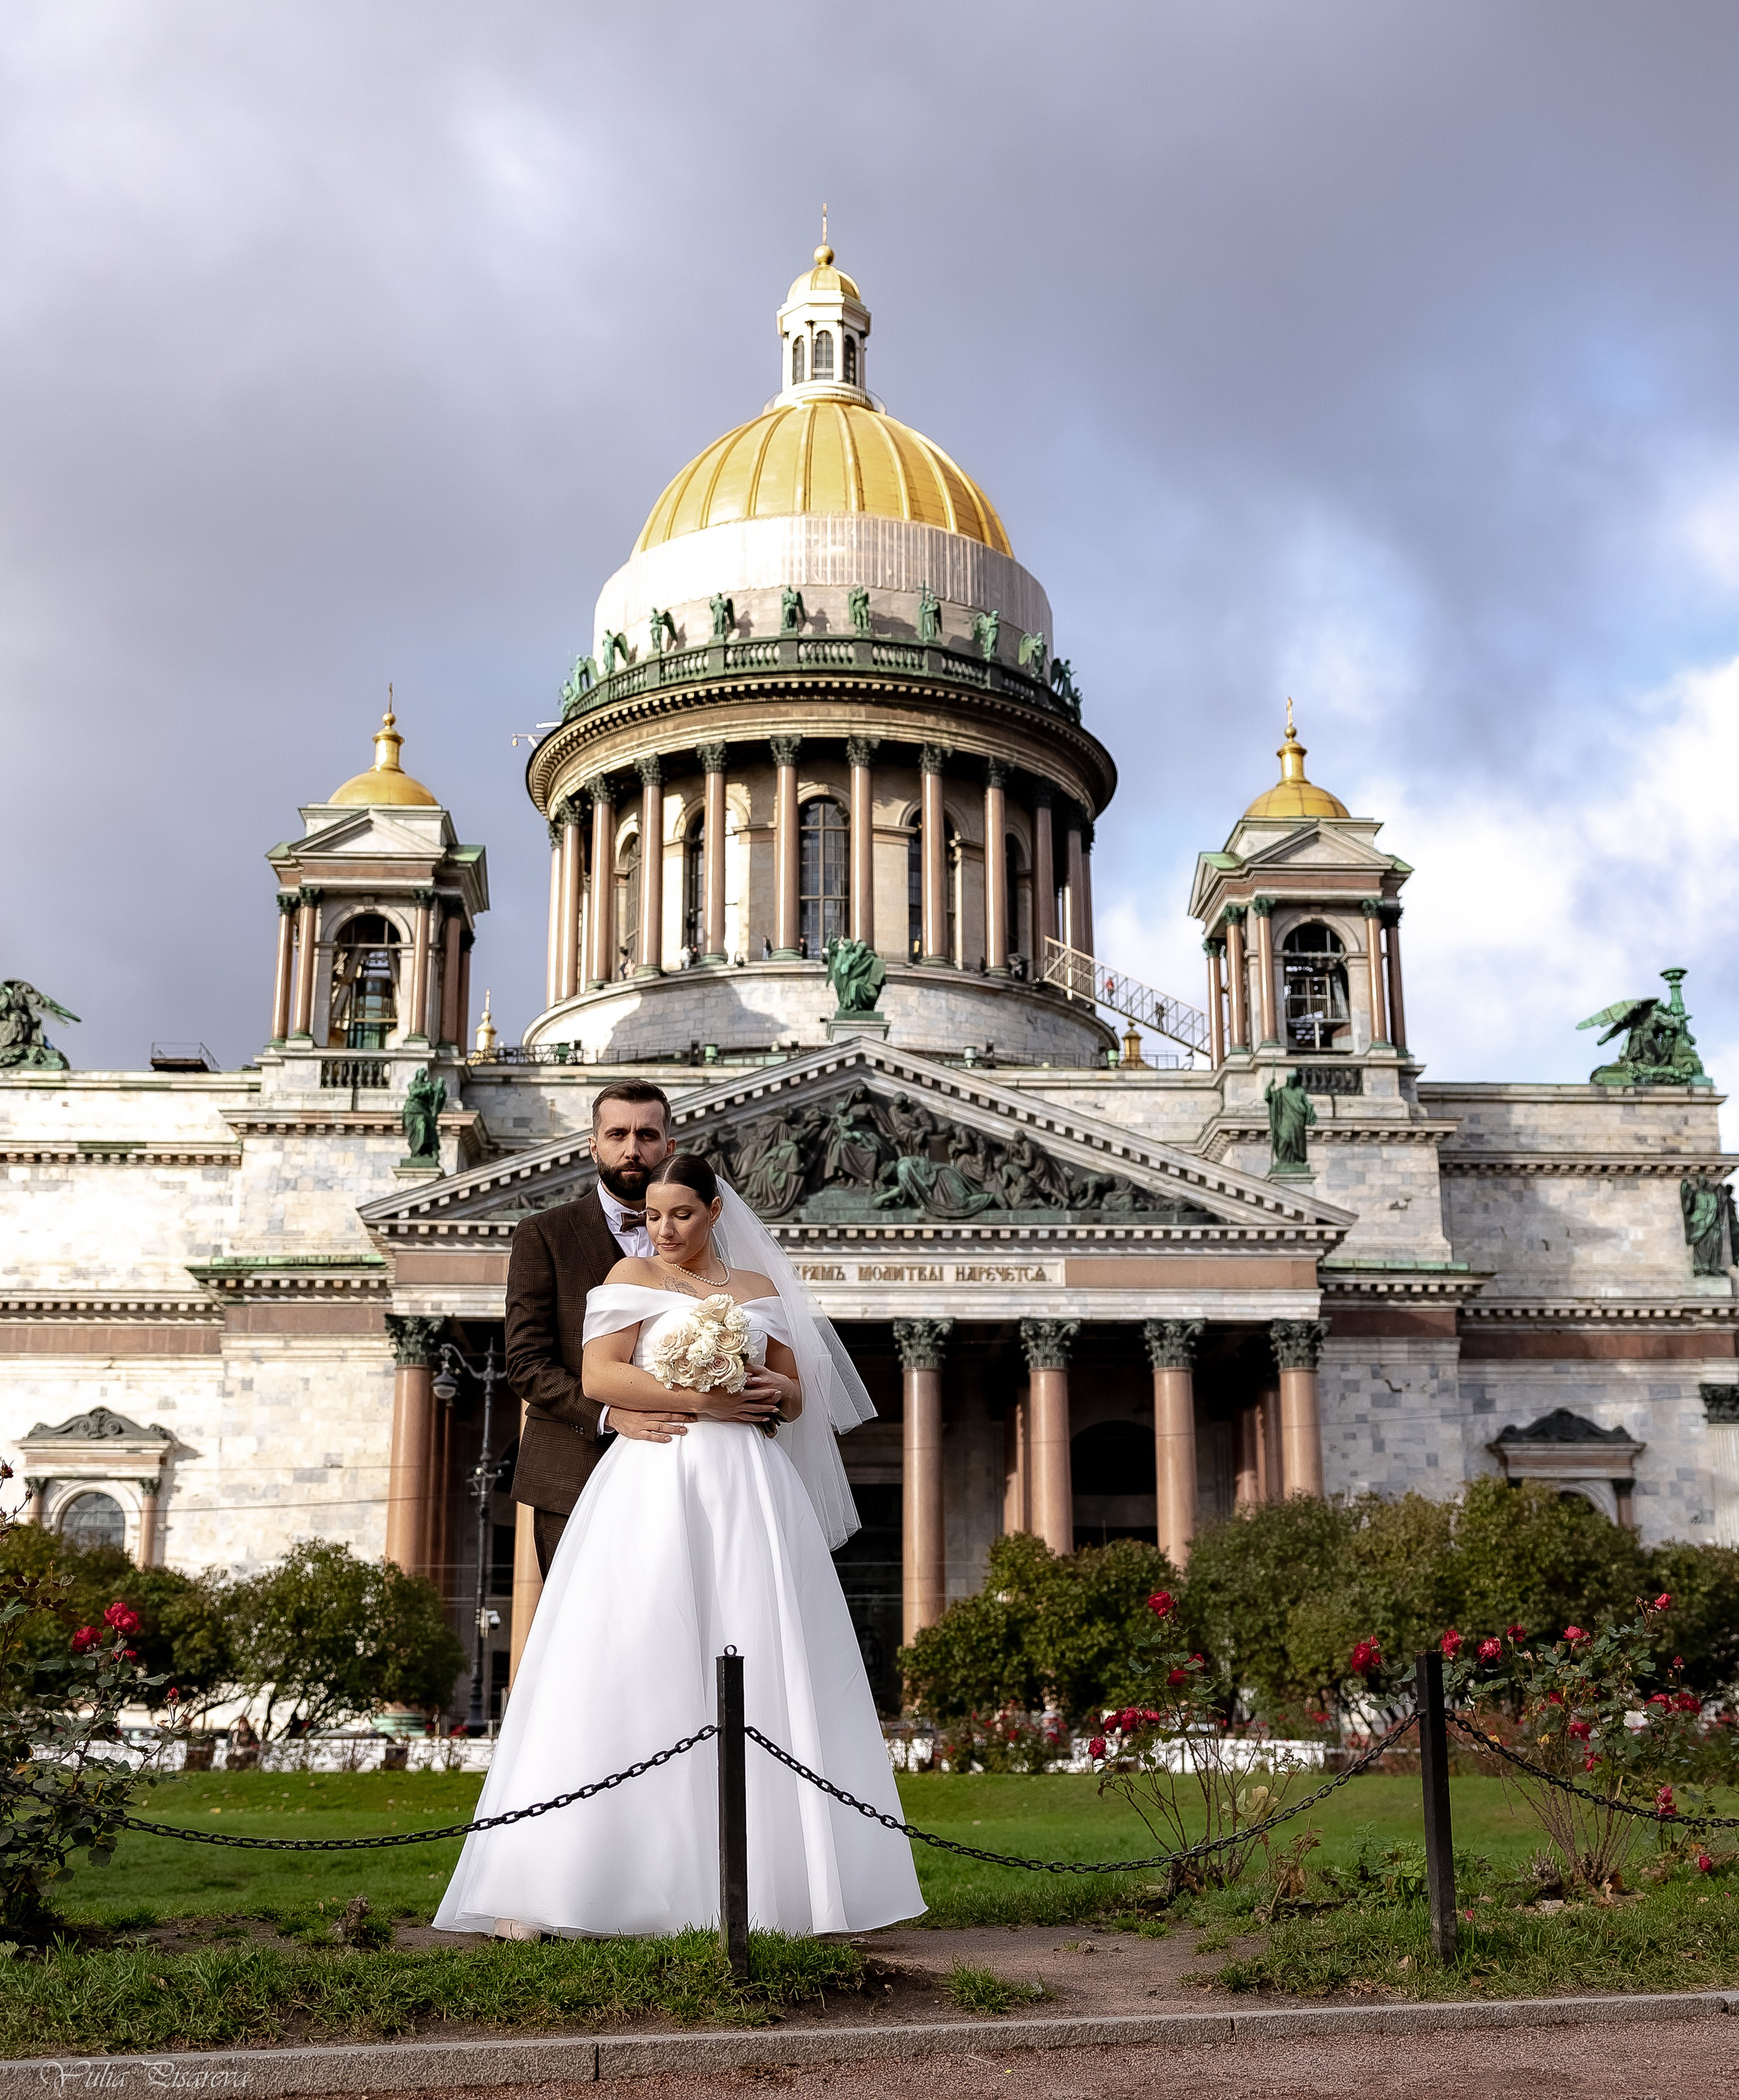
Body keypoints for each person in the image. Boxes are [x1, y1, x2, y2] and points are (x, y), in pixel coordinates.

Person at [435, 1152, 922, 1940]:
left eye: (681, 1215)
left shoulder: (760, 1293)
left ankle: (780, 1886)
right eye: (654, 1215)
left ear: (715, 1212)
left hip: (749, 1488)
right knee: (635, 1649)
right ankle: (571, 1883)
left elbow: (797, 1394)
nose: (663, 1229)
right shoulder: (630, 1276)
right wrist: (701, 1396)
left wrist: (772, 1393)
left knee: (762, 1649)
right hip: (658, 1475)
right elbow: (600, 1374)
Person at [504, 1081, 698, 1577]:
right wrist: (611, 1413)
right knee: (581, 1641)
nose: (632, 1149)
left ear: (669, 1147)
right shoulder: (543, 1234)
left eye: (647, 1135)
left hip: (685, 1471)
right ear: (593, 1144)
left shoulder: (704, 1241)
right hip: (574, 1473)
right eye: (617, 1134)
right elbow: (526, 1364)